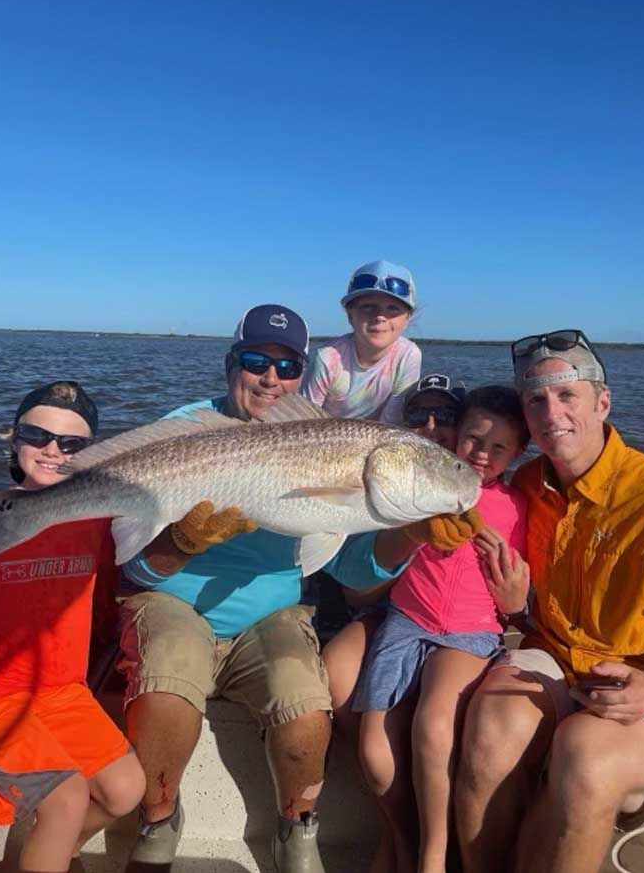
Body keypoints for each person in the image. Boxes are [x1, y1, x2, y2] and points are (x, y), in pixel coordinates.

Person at [117, 304, 452, 873]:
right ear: (231, 364)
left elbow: (347, 569)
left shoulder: (323, 441)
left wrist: (413, 535)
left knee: (303, 707)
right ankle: (158, 818)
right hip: (173, 600)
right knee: (165, 688)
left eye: (287, 367)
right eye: (255, 361)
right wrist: (180, 543)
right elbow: (135, 572)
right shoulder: (182, 431)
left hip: (271, 614)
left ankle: (297, 829)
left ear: (302, 375)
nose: (271, 379)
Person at [455, 330, 644, 873]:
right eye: (536, 399)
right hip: (558, 655)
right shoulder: (528, 484)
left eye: (567, 395)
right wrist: (516, 610)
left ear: (603, 403)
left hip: (637, 679)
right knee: (493, 725)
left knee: (585, 756)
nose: (551, 412)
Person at [353, 386, 529, 873]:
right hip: (406, 623)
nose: (481, 454)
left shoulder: (517, 505)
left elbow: (522, 582)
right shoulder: (415, 491)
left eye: (499, 448)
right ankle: (401, 838)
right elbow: (373, 558)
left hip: (470, 633)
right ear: (456, 437)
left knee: (433, 725)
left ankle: (432, 858)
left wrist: (517, 601)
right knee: (374, 752)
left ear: (517, 454)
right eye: (473, 438)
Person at [0, 381, 146, 873]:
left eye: (72, 444)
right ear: (13, 438)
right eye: (38, 435)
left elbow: (124, 589)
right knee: (67, 798)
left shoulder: (101, 520)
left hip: (63, 693)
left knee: (126, 790)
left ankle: (50, 854)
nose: (53, 450)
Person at [303, 260, 422, 424]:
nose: (380, 317)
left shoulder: (408, 355)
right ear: (350, 314)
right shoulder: (327, 358)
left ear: (407, 318)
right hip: (323, 440)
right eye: (368, 306)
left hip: (376, 441)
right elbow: (304, 422)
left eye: (392, 308)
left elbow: (391, 424)